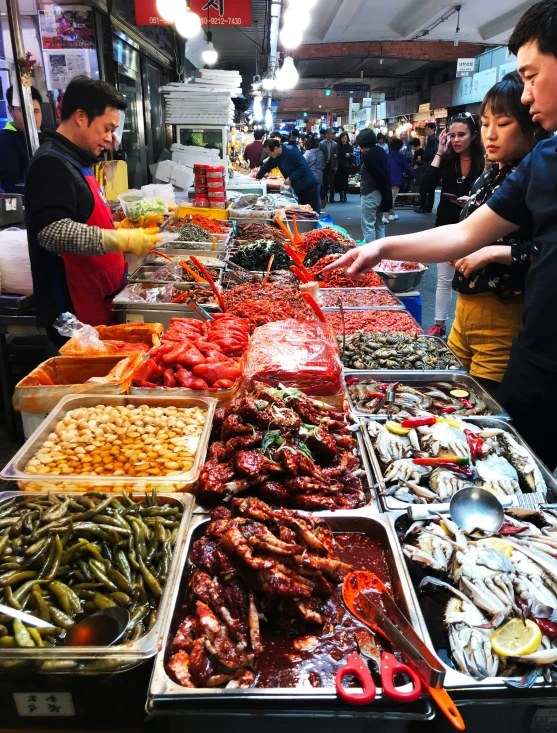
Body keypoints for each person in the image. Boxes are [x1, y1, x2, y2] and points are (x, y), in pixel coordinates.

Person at [321, 0, 557, 470]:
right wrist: (382, 247)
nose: (527, 96)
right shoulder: (545, 159)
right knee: (515, 466)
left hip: (518, 332)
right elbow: (466, 233)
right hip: (539, 355)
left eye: (531, 77)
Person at [25, 76, 161, 346]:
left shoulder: (77, 160)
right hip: (73, 311)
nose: (111, 139)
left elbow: (85, 213)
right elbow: (52, 232)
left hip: (99, 298)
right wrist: (118, 240)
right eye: (107, 128)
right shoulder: (50, 164)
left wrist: (120, 228)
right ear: (80, 116)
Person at [448, 72, 549, 393]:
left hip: (503, 316)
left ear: (531, 122)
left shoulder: (537, 177)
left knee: (481, 409)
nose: (490, 135)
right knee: (448, 396)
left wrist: (491, 252)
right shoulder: (491, 174)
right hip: (464, 310)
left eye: (503, 124)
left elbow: (546, 251)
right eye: (486, 123)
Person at [421, 114, 485, 337]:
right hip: (446, 224)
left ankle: (465, 327)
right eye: (452, 135)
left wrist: (473, 201)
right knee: (444, 278)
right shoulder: (447, 159)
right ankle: (439, 324)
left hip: (476, 226)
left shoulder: (485, 160)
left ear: (474, 135)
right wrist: (440, 151)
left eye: (462, 135)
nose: (456, 140)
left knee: (472, 277)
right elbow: (426, 185)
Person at [256, 138, 319, 211]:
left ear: (276, 148)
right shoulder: (275, 157)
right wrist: (258, 177)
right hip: (298, 187)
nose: (269, 155)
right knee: (303, 211)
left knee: (312, 212)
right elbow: (267, 166)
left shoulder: (291, 151)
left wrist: (290, 178)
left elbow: (303, 167)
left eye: (269, 153)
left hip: (308, 185)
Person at [0, 85, 42, 194]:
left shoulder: (46, 136)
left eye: (36, 111)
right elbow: (10, 185)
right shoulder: (5, 140)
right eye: (23, 110)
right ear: (10, 111)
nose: (31, 117)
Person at [357, 128, 392, 243]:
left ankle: (370, 258)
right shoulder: (380, 151)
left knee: (368, 227)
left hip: (370, 194)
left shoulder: (370, 157)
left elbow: (379, 176)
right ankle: (381, 255)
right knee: (379, 224)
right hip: (380, 194)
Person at [386, 138, 415, 221]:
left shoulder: (387, 156)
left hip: (387, 179)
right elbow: (407, 168)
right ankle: (386, 215)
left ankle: (392, 213)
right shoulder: (401, 157)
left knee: (389, 197)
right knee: (392, 197)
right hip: (396, 179)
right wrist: (413, 176)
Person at [417, 122, 439, 213]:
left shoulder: (432, 139)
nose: (425, 131)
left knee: (423, 187)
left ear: (433, 130)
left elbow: (429, 154)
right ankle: (428, 207)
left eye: (427, 129)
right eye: (425, 129)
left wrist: (421, 158)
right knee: (431, 188)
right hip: (433, 165)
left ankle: (423, 207)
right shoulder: (435, 139)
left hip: (429, 166)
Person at [303, 135, 324, 213]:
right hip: (319, 175)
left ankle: (312, 211)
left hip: (310, 176)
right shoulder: (321, 152)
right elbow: (323, 164)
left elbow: (302, 163)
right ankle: (318, 211)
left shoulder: (308, 153)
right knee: (318, 195)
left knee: (311, 195)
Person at [319, 128, 338, 205]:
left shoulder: (335, 144)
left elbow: (337, 156)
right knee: (325, 182)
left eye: (331, 134)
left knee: (332, 182)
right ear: (326, 134)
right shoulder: (321, 143)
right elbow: (320, 155)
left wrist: (336, 166)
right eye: (328, 134)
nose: (330, 135)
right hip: (324, 164)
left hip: (332, 164)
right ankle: (325, 196)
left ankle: (332, 198)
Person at [335, 132, 354, 203]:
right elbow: (336, 154)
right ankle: (341, 195)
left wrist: (349, 155)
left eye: (345, 138)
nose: (344, 139)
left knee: (345, 180)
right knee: (339, 180)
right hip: (339, 165)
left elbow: (353, 155)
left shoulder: (349, 146)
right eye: (342, 138)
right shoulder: (337, 146)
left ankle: (345, 195)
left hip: (346, 165)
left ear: (347, 138)